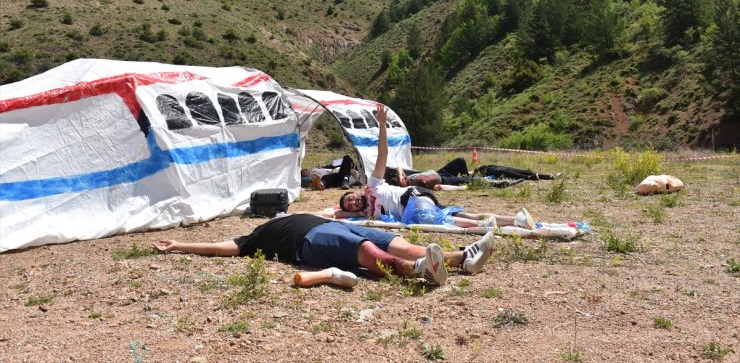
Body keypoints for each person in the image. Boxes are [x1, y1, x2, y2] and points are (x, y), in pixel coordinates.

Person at [328, 104, 535, 229]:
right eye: (350, 205)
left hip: (411, 199)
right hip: (419, 199)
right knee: (459, 216)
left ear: (355, 192)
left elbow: (383, 154)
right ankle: (515, 220)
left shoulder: (372, 186)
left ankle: (484, 225)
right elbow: (335, 214)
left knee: (442, 221)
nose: (353, 202)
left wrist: (381, 125)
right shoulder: (363, 214)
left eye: (351, 198)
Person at [152, 213, 495, 286]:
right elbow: (221, 248)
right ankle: (417, 271)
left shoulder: (297, 211)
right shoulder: (254, 237)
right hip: (312, 241)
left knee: (398, 242)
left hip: (334, 225)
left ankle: (462, 258)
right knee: (364, 252)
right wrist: (179, 244)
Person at [387, 157, 523, 190]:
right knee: (471, 182)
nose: (401, 179)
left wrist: (400, 175)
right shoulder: (409, 188)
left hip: (441, 172)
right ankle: (499, 184)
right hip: (444, 181)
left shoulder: (407, 178)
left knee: (460, 160)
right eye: (399, 181)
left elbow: (399, 167)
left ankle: (467, 175)